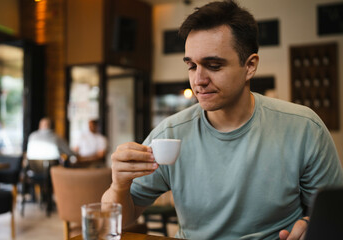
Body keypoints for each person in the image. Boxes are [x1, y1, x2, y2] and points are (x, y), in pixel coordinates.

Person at [102, 1, 343, 239]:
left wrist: (310, 225)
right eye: (191, 66)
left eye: (213, 65)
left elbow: (336, 215)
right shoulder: (171, 134)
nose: (198, 80)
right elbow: (119, 217)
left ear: (250, 66)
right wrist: (119, 186)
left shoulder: (303, 128)